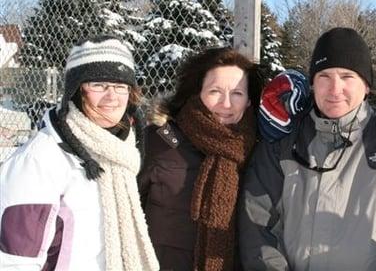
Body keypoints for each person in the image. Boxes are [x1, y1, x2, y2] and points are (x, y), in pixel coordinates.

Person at [238, 27, 376, 270]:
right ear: (312, 83)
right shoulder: (283, 142)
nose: (335, 89)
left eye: (347, 76)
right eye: (324, 76)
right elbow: (257, 226)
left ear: (366, 86)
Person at [0, 35, 158, 270]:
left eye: (120, 86)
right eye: (98, 85)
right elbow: (15, 260)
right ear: (76, 90)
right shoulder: (43, 156)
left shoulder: (124, 153)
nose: (112, 96)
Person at [138, 47, 264, 271]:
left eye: (237, 93)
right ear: (197, 93)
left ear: (248, 101)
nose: (226, 104)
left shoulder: (260, 151)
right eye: (215, 91)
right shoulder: (158, 142)